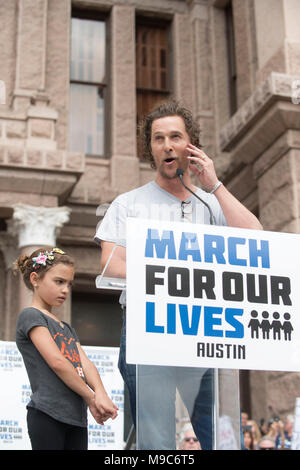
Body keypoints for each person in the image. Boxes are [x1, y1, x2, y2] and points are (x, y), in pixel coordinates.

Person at [95, 100, 262, 449]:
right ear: (151, 149)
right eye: (158, 138)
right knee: (155, 438)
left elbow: (255, 238)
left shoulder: (210, 203)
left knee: (218, 432)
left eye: (175, 136)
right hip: (148, 326)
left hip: (202, 328)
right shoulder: (128, 204)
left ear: (191, 145)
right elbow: (112, 264)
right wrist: (173, 276)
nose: (167, 145)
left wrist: (214, 184)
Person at [15, 247, 118, 450]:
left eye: (69, 284)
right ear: (35, 279)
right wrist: (91, 397)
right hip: (47, 413)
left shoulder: (66, 327)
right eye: (59, 282)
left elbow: (85, 363)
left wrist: (101, 393)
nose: (66, 290)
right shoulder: (31, 315)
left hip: (76, 418)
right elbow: (57, 362)